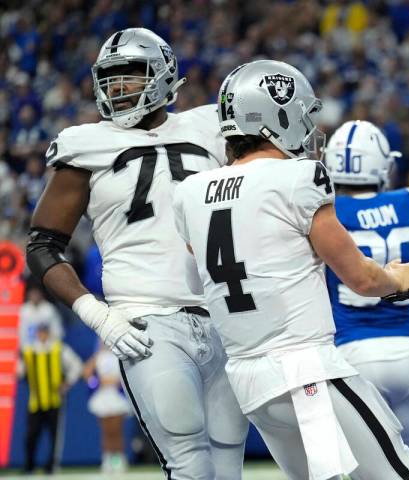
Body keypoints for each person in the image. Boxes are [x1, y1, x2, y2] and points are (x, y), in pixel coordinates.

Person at [173, 59, 409, 480]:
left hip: (251, 383)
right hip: (308, 375)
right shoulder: (297, 176)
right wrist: (400, 278)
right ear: (273, 117)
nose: (305, 127)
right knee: (399, 474)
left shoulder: (190, 191)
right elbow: (361, 277)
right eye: (299, 115)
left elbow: (197, 279)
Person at [25, 28, 248, 479]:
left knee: (228, 466)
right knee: (188, 462)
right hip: (147, 321)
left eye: (130, 74)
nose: (118, 87)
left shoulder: (211, 125)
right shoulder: (84, 144)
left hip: (226, 314)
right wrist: (97, 315)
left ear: (165, 75)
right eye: (110, 78)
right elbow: (44, 246)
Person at [323, 119, 409, 454]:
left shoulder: (326, 212)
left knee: (368, 471)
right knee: (405, 464)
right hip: (408, 348)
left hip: (352, 349)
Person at [17, 323, 82, 474]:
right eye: (40, 332)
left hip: (55, 399)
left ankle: (52, 465)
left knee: (55, 436)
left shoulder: (58, 349)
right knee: (31, 435)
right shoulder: (29, 351)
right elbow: (19, 371)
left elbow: (76, 366)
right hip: (35, 400)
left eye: (44, 332)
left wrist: (67, 383)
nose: (42, 335)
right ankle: (29, 465)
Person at [84, 343, 132, 473]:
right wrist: (98, 381)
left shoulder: (120, 356)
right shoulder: (98, 357)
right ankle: (107, 459)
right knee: (106, 431)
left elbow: (127, 373)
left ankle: (118, 461)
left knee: (116, 431)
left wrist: (117, 381)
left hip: (117, 397)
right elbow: (86, 372)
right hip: (103, 397)